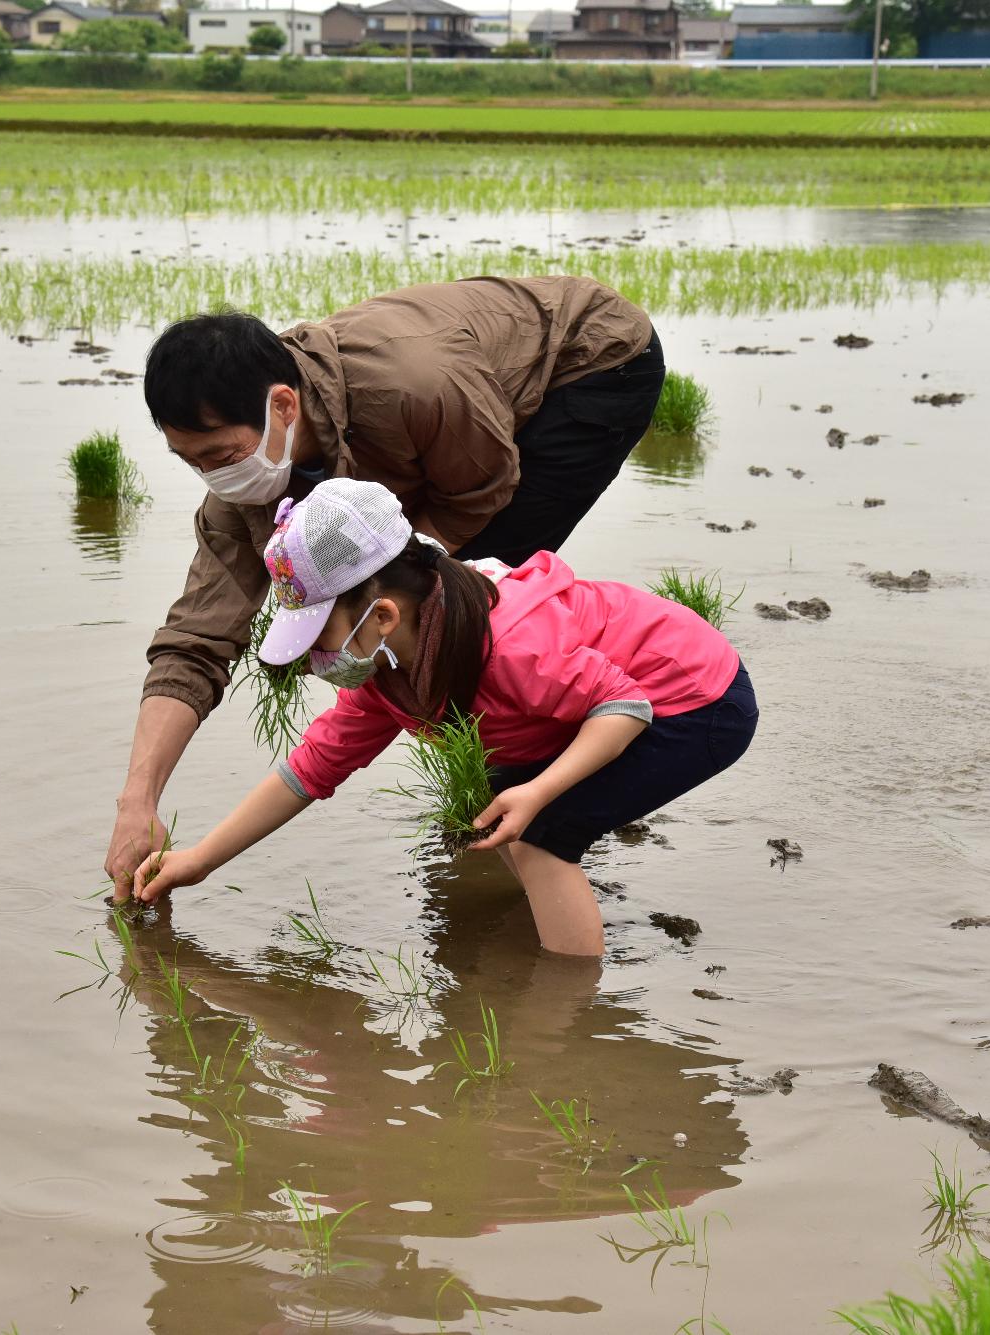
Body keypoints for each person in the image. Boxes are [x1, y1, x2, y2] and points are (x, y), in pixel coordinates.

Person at [104, 276, 664, 894]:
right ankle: (510, 769)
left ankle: (566, 769)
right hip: (460, 407)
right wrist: (139, 797)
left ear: (283, 407)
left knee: (471, 613)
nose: (213, 476)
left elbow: (481, 491)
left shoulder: (412, 389)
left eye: (221, 455)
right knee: (394, 621)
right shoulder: (238, 492)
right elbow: (197, 636)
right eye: (192, 462)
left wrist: (366, 597)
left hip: (589, 362)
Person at [128, 479, 757, 956]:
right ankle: (551, 914)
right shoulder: (388, 672)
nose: (318, 660)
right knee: (504, 806)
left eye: (322, 636)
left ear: (381, 618)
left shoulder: (511, 644)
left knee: (542, 832)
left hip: (693, 699)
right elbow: (310, 771)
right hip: (603, 702)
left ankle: (566, 1024)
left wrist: (537, 792)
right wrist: (199, 861)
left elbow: (625, 706)